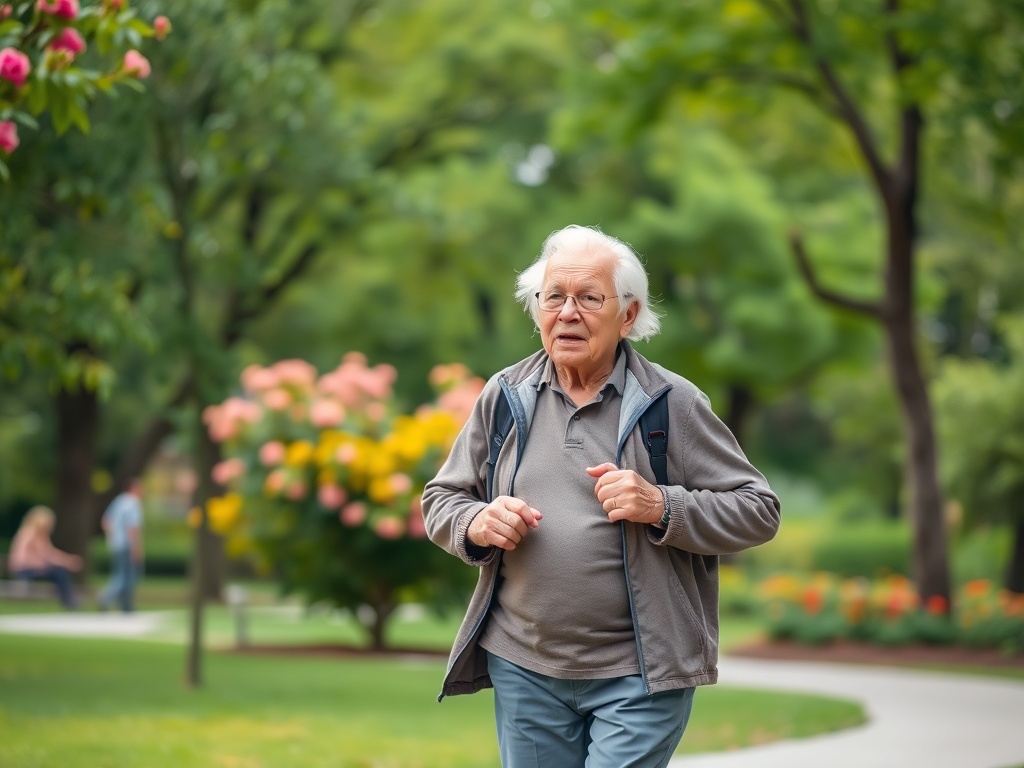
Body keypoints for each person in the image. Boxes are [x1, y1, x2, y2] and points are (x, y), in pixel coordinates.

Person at [422, 224, 781, 768]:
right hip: (524, 665)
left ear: (629, 316)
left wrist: (663, 505)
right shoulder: (504, 395)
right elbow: (443, 499)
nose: (568, 313)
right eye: (554, 297)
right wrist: (477, 523)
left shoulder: (670, 402)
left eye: (590, 298)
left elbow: (758, 509)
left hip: (640, 675)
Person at [6, 505, 83, 609]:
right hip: (24, 569)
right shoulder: (27, 534)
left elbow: (50, 554)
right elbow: (19, 557)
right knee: (58, 572)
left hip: (36, 569)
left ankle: (69, 600)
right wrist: (37, 564)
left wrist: (68, 561)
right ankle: (69, 601)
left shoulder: (41, 536)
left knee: (59, 572)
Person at [98, 478, 144, 612]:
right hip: (127, 544)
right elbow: (132, 527)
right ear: (133, 488)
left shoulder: (119, 501)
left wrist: (112, 537)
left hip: (116, 544)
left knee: (119, 574)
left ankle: (125, 605)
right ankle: (107, 598)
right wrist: (136, 547)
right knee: (127, 576)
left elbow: (105, 521)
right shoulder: (133, 503)